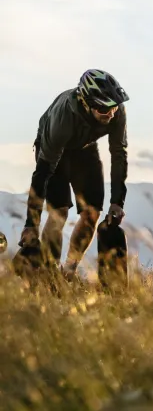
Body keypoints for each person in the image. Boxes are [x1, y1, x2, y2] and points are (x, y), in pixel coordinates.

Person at [19, 69, 130, 281]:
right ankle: (48, 273)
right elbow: (42, 172)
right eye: (103, 109)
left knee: (92, 213)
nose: (110, 114)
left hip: (84, 148)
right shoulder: (63, 119)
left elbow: (119, 154)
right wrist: (31, 224)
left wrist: (117, 201)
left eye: (113, 107)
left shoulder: (116, 111)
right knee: (59, 212)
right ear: (86, 104)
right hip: (53, 149)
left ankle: (68, 271)